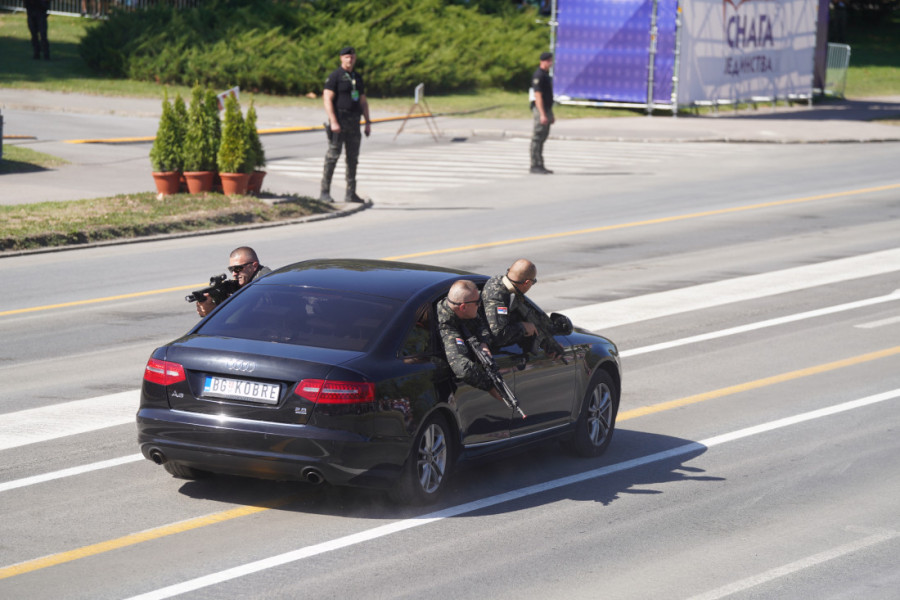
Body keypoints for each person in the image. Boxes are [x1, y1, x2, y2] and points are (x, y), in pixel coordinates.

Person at [481, 258, 564, 358]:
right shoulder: (499, 297)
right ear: (527, 282)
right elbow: (499, 335)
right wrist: (523, 327)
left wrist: (545, 343)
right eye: (533, 282)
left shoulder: (497, 281)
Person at [436, 280, 503, 403]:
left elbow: (480, 324)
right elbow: (463, 369)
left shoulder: (461, 309)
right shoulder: (446, 326)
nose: (480, 305)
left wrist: (484, 342)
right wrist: (490, 386)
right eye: (478, 302)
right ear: (463, 307)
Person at [320, 46, 372, 204]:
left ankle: (351, 193)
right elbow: (327, 98)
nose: (350, 60)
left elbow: (363, 100)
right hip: (339, 121)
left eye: (352, 57)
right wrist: (333, 121)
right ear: (341, 58)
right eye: (347, 57)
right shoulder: (335, 76)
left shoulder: (357, 77)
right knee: (332, 157)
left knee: (352, 159)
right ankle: (325, 192)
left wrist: (367, 122)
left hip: (354, 122)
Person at [195, 247, 271, 317]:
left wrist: (212, 312)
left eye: (238, 268)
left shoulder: (263, 286)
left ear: (254, 266)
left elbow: (243, 319)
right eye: (231, 269)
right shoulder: (258, 280)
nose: (234, 273)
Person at [529, 51, 555, 174]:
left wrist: (551, 113)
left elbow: (548, 96)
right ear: (543, 61)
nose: (550, 63)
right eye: (548, 61)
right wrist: (543, 114)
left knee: (543, 137)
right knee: (537, 137)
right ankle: (535, 164)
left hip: (546, 108)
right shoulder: (538, 75)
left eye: (551, 60)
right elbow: (538, 96)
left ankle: (540, 163)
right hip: (540, 109)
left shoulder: (545, 75)